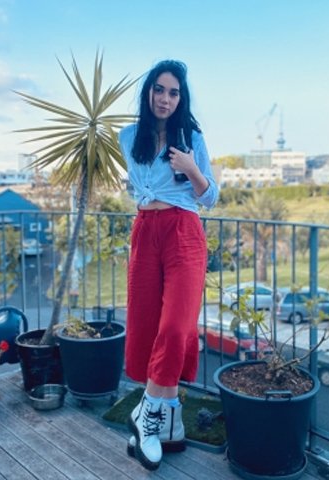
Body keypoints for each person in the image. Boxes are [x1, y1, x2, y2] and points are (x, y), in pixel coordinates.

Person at [118, 59, 218, 471]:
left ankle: (147, 413)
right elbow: (139, 188)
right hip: (145, 231)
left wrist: (191, 169)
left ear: (181, 98)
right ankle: (170, 414)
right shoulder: (128, 137)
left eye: (173, 92)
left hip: (184, 232)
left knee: (177, 326)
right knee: (146, 323)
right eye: (159, 90)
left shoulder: (191, 138)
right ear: (148, 92)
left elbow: (210, 197)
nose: (165, 98)